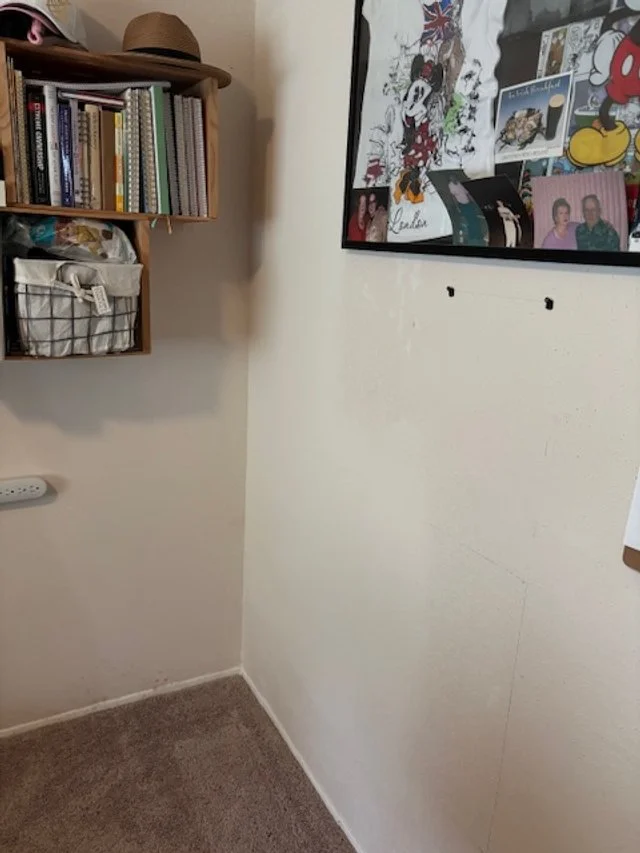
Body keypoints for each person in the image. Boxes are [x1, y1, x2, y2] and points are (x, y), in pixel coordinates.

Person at [448, 179, 488, 246]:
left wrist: (473, 202)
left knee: (474, 218)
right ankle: (472, 236)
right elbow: (453, 197)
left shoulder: (459, 183)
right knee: (469, 219)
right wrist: (457, 207)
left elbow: (467, 194)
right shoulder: (451, 185)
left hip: (468, 203)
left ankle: (478, 235)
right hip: (462, 205)